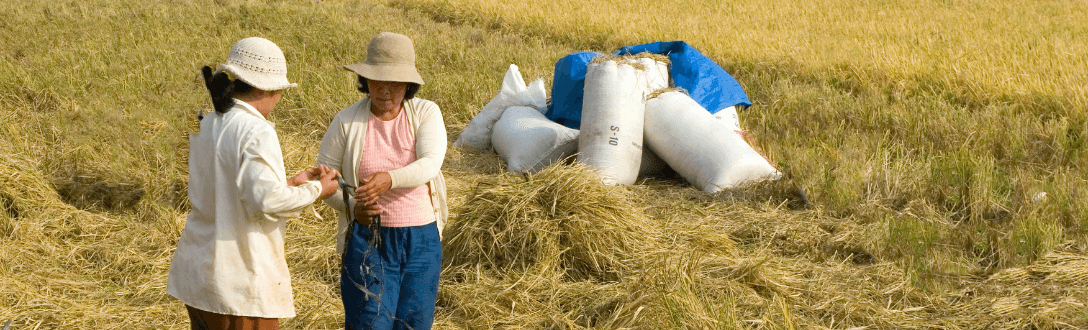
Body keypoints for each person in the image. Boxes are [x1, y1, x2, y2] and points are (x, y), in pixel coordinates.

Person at [167, 37, 340, 330]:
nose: (279, 98)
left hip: (198, 274)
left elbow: (228, 190)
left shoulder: (208, 122)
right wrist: (317, 190)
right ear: (263, 89)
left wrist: (290, 183)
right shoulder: (257, 130)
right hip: (239, 282)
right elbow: (266, 201)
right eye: (279, 91)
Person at [317, 32, 448, 330]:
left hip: (421, 239)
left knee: (414, 321)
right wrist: (353, 209)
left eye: (395, 83)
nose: (385, 90)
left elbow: (430, 163)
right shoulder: (346, 121)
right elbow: (325, 178)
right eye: (377, 81)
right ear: (365, 80)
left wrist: (390, 179)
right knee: (370, 321)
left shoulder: (426, 112)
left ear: (408, 84)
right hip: (369, 238)